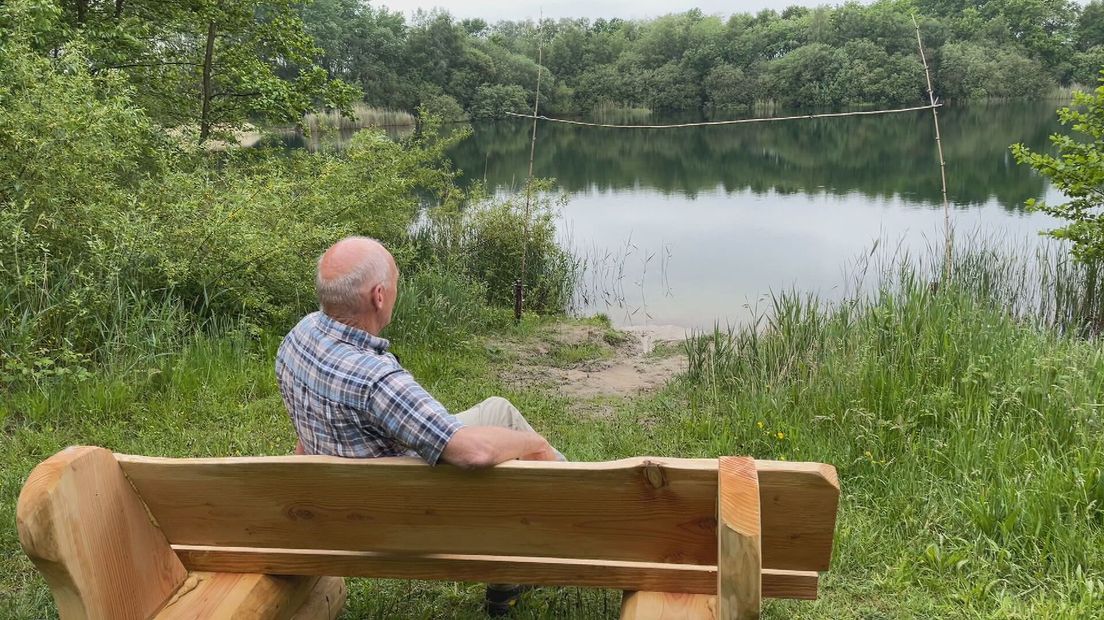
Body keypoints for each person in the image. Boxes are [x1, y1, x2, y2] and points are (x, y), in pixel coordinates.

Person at [275, 236, 560, 615]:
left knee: (495, 411)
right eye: (395, 283)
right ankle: (586, 518)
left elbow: (305, 427)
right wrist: (534, 442)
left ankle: (509, 575)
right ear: (379, 296)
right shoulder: (376, 380)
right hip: (402, 519)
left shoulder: (299, 337)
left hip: (338, 512)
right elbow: (473, 453)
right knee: (505, 424)